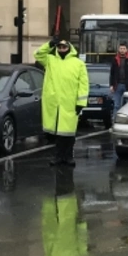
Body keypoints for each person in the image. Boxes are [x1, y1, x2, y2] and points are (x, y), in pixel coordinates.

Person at [35, 36, 89, 167]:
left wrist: (81, 103)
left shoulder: (78, 63)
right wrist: (49, 44)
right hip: (54, 104)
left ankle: (69, 157)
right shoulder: (50, 60)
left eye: (64, 47)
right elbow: (38, 54)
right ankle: (58, 157)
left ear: (69, 48)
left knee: (69, 134)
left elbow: (84, 84)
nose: (61, 49)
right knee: (58, 135)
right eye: (59, 47)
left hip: (70, 104)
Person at [108, 43, 128, 113]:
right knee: (116, 105)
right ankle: (115, 121)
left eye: (124, 49)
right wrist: (111, 85)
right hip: (117, 85)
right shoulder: (115, 59)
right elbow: (112, 73)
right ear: (118, 49)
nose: (122, 50)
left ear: (126, 50)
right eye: (121, 48)